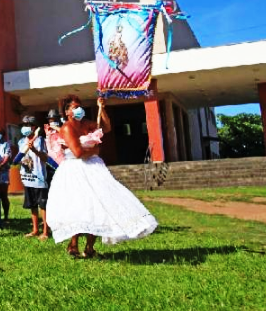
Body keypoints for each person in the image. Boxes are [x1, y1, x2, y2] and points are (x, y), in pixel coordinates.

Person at [46, 95, 158, 258]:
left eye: (80, 106)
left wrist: (102, 108)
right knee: (79, 206)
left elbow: (105, 127)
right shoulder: (67, 128)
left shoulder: (86, 124)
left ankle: (90, 247)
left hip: (94, 168)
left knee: (100, 203)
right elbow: (77, 152)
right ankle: (73, 244)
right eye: (75, 106)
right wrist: (94, 150)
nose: (79, 109)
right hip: (75, 170)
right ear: (67, 111)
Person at [14, 116, 50, 240]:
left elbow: (45, 158)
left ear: (34, 127)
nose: (24, 127)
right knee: (32, 205)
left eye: (28, 125)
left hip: (39, 179)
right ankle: (35, 229)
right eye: (23, 125)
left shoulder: (40, 140)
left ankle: (45, 231)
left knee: (43, 206)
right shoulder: (20, 142)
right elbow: (19, 159)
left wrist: (34, 149)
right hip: (27, 178)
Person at [0, 129, 12, 222]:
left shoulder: (6, 144)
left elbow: (6, 157)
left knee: (3, 195)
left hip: (3, 171)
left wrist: (0, 165)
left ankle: (6, 216)